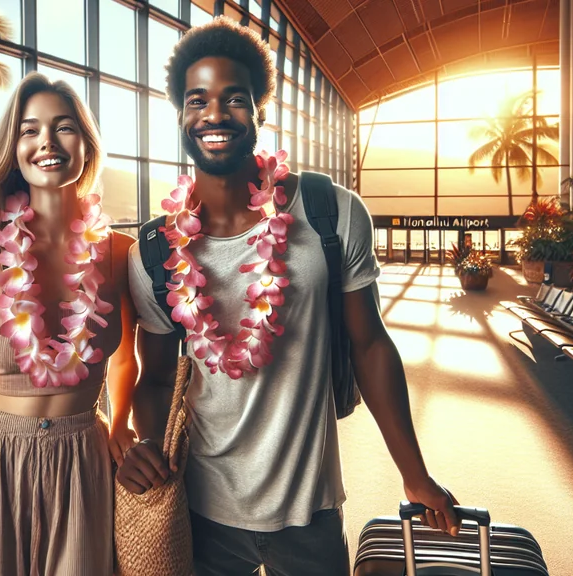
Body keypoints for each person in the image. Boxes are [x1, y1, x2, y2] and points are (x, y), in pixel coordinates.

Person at [116, 18, 460, 575]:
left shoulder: (331, 213)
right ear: (179, 115)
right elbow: (155, 378)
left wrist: (414, 471)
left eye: (235, 98)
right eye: (196, 99)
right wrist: (148, 447)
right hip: (200, 507)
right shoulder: (153, 253)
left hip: (310, 509)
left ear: (259, 112)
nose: (214, 114)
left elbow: (371, 346)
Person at [0, 72, 139, 576]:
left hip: (84, 462)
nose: (46, 143)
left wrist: (119, 421)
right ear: (13, 148)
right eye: (30, 130)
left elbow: (126, 358)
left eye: (63, 127)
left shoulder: (121, 255)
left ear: (86, 142)